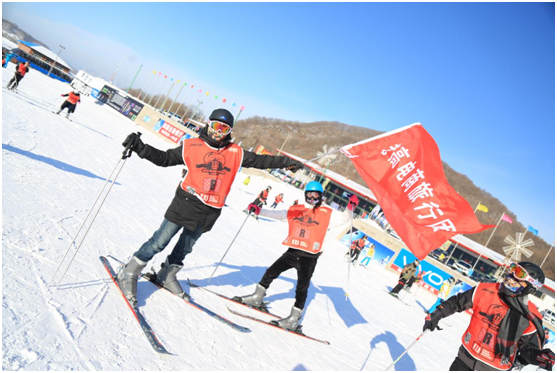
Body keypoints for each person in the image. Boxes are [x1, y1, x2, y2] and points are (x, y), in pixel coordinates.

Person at [116, 109, 303, 306]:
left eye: (224, 128)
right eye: (215, 125)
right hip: (185, 203)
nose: (218, 131)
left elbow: (262, 160)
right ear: (208, 124)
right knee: (159, 242)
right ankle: (129, 271)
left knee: (185, 247)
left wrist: (285, 162)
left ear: (229, 131)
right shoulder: (192, 145)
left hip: (209, 211)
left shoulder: (235, 153)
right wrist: (140, 147)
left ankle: (166, 274)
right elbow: (164, 159)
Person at [233, 181, 352, 331]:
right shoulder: (297, 209)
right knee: (270, 272)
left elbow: (344, 218)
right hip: (292, 252)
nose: (312, 197)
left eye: (316, 194)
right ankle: (257, 297)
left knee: (301, 288)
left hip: (309, 257)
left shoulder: (326, 214)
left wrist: (350, 207)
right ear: (305, 195)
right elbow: (279, 214)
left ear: (321, 196)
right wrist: (259, 211)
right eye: (309, 194)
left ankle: (293, 319)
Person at [423, 262, 554, 371]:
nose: (511, 276)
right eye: (512, 270)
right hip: (465, 359)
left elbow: (527, 348)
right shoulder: (486, 289)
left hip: (494, 368)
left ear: (529, 287)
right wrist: (437, 314)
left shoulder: (531, 315)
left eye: (518, 275)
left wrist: (538, 355)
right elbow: (457, 302)